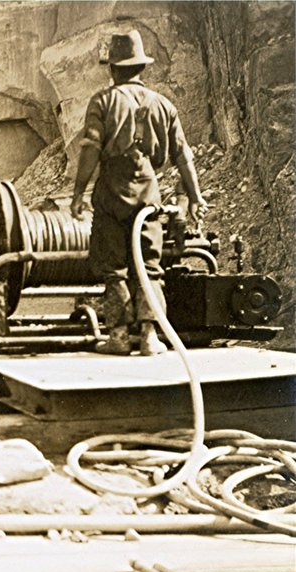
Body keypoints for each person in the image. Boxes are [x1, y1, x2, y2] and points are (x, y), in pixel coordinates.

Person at [71, 30, 208, 355]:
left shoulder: (103, 102)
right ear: (140, 68)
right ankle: (149, 335)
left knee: (113, 266)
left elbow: (90, 149)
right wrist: (196, 196)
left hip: (112, 192)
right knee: (149, 263)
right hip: (149, 193)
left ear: (113, 69)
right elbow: (183, 156)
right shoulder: (164, 105)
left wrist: (78, 192)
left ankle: (118, 336)